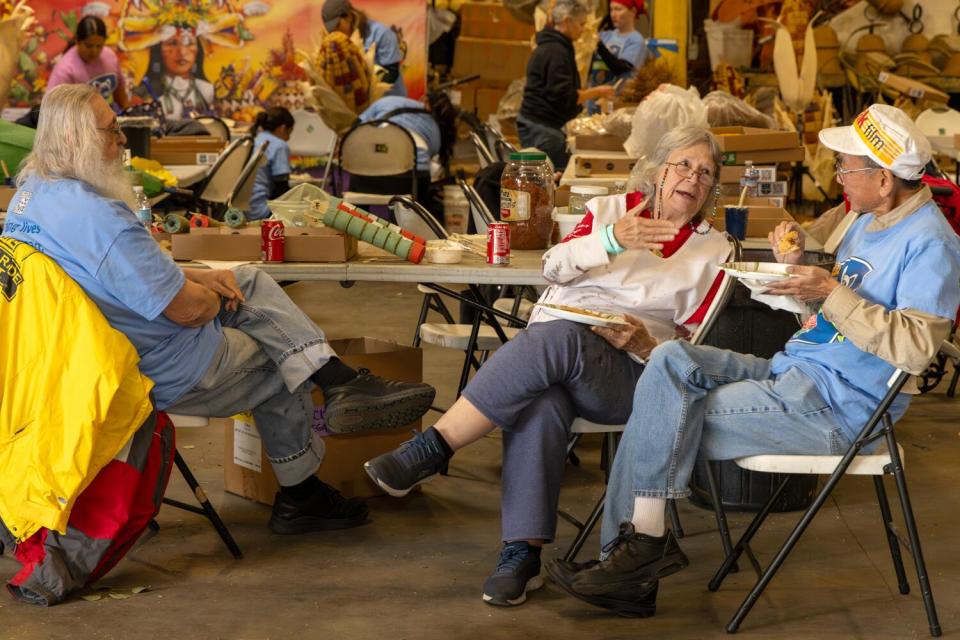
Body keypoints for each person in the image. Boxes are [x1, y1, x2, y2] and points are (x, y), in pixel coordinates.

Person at [546, 104, 960, 617]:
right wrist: (797, 279)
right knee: (670, 361)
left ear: (883, 178)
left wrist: (829, 291)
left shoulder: (932, 244)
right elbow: (835, 316)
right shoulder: (864, 220)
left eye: (848, 167)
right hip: (796, 372)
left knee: (659, 409)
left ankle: (631, 561)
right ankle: (635, 556)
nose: (838, 175)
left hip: (840, 406)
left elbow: (917, 349)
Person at [2, 84, 437, 535]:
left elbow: (120, 276)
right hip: (150, 368)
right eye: (112, 131)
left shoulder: (30, 196)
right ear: (74, 140)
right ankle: (303, 487)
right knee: (281, 352)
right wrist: (210, 296)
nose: (122, 142)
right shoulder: (101, 220)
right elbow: (187, 312)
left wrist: (203, 279)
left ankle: (337, 381)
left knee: (247, 281)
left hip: (66, 367)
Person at [364, 125, 733, 607]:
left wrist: (645, 343)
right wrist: (611, 241)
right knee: (542, 396)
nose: (692, 176)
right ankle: (523, 553)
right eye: (683, 164)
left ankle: (434, 447)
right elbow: (552, 268)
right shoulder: (610, 212)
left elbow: (690, 348)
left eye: (705, 172)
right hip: (557, 358)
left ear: (711, 188)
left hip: (630, 376)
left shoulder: (714, 250)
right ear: (659, 170)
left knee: (556, 339)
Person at [518, 0, 616, 171]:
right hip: (542, 127)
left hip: (541, 124)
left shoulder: (555, 46)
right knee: (555, 175)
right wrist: (599, 91)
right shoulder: (555, 51)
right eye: (580, 24)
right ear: (566, 22)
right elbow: (565, 96)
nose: (583, 28)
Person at [323, 0, 407, 97]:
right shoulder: (340, 40)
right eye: (331, 30)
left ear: (349, 16)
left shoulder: (382, 34)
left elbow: (392, 73)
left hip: (390, 101)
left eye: (337, 25)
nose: (335, 32)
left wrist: (363, 89)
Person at [47, 16, 130, 110]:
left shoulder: (110, 56)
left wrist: (130, 115)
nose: (94, 51)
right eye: (88, 46)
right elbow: (52, 109)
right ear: (77, 41)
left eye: (99, 46)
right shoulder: (65, 70)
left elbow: (120, 92)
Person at [586, 0, 646, 114]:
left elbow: (620, 68)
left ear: (633, 11)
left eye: (618, 9)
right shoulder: (605, 35)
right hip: (593, 102)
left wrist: (599, 45)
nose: (613, 14)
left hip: (615, 104)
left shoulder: (636, 40)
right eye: (611, 9)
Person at [141, 29, 215, 119]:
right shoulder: (146, 92)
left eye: (190, 43)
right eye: (172, 43)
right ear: (158, 49)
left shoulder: (208, 91)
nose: (182, 52)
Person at [249, 107, 294, 221]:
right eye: (290, 133)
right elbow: (281, 188)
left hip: (244, 208)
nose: (288, 138)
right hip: (262, 211)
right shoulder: (279, 145)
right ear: (283, 128)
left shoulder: (256, 139)